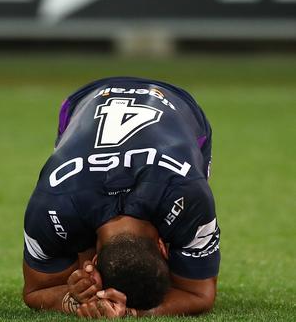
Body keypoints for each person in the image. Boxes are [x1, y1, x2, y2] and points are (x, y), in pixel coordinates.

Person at [22, 77, 219, 318]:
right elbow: (199, 294)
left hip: (163, 106)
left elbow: (199, 296)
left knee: (80, 230)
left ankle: (108, 277)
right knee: (183, 236)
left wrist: (125, 311)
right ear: (163, 247)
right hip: (106, 102)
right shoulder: (189, 198)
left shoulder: (51, 205)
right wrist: (76, 296)